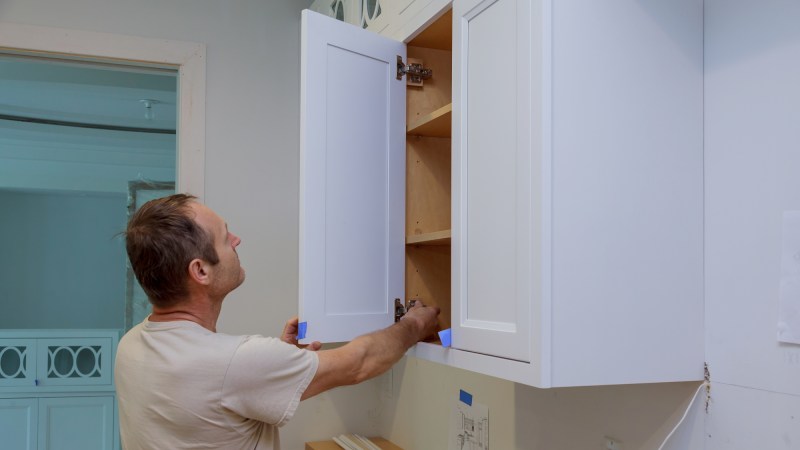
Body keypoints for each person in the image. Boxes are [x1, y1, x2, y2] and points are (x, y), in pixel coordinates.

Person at [115, 193, 439, 450]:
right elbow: (359, 364)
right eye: (226, 238)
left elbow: (216, 402)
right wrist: (414, 324)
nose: (237, 240)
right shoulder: (235, 363)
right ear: (201, 271)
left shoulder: (131, 345)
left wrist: (279, 362)